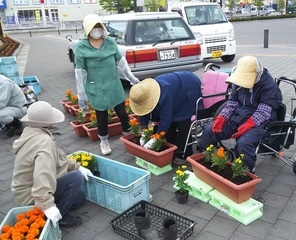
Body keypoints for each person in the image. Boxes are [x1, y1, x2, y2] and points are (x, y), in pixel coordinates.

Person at [11, 101, 93, 228]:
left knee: (79, 198)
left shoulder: (31, 132)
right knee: (76, 178)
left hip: (22, 192)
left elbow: (58, 156)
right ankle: (58, 218)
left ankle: (55, 206)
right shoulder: (44, 143)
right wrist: (47, 206)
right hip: (31, 196)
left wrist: (77, 166)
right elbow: (42, 175)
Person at [199, 56, 283, 173]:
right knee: (209, 130)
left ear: (257, 74)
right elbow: (232, 103)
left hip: (260, 121)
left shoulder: (269, 87)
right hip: (239, 114)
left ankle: (247, 171)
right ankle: (207, 158)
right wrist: (222, 117)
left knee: (244, 143)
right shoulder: (237, 82)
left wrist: (250, 123)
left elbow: (264, 110)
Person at [74, 14, 140, 156]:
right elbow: (80, 73)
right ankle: (104, 141)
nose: (97, 30)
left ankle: (129, 136)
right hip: (96, 86)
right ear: (87, 30)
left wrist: (132, 79)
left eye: (99, 27)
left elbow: (121, 62)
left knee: (122, 113)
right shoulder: (81, 47)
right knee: (102, 116)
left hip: (113, 84)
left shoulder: (110, 42)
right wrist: (82, 98)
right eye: (93, 28)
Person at [129, 71, 202, 164]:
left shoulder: (164, 94)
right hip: (174, 89)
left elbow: (165, 119)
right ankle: (173, 148)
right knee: (169, 126)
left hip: (188, 87)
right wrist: (144, 131)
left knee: (182, 124)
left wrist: (155, 139)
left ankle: (184, 154)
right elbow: (144, 111)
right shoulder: (145, 93)